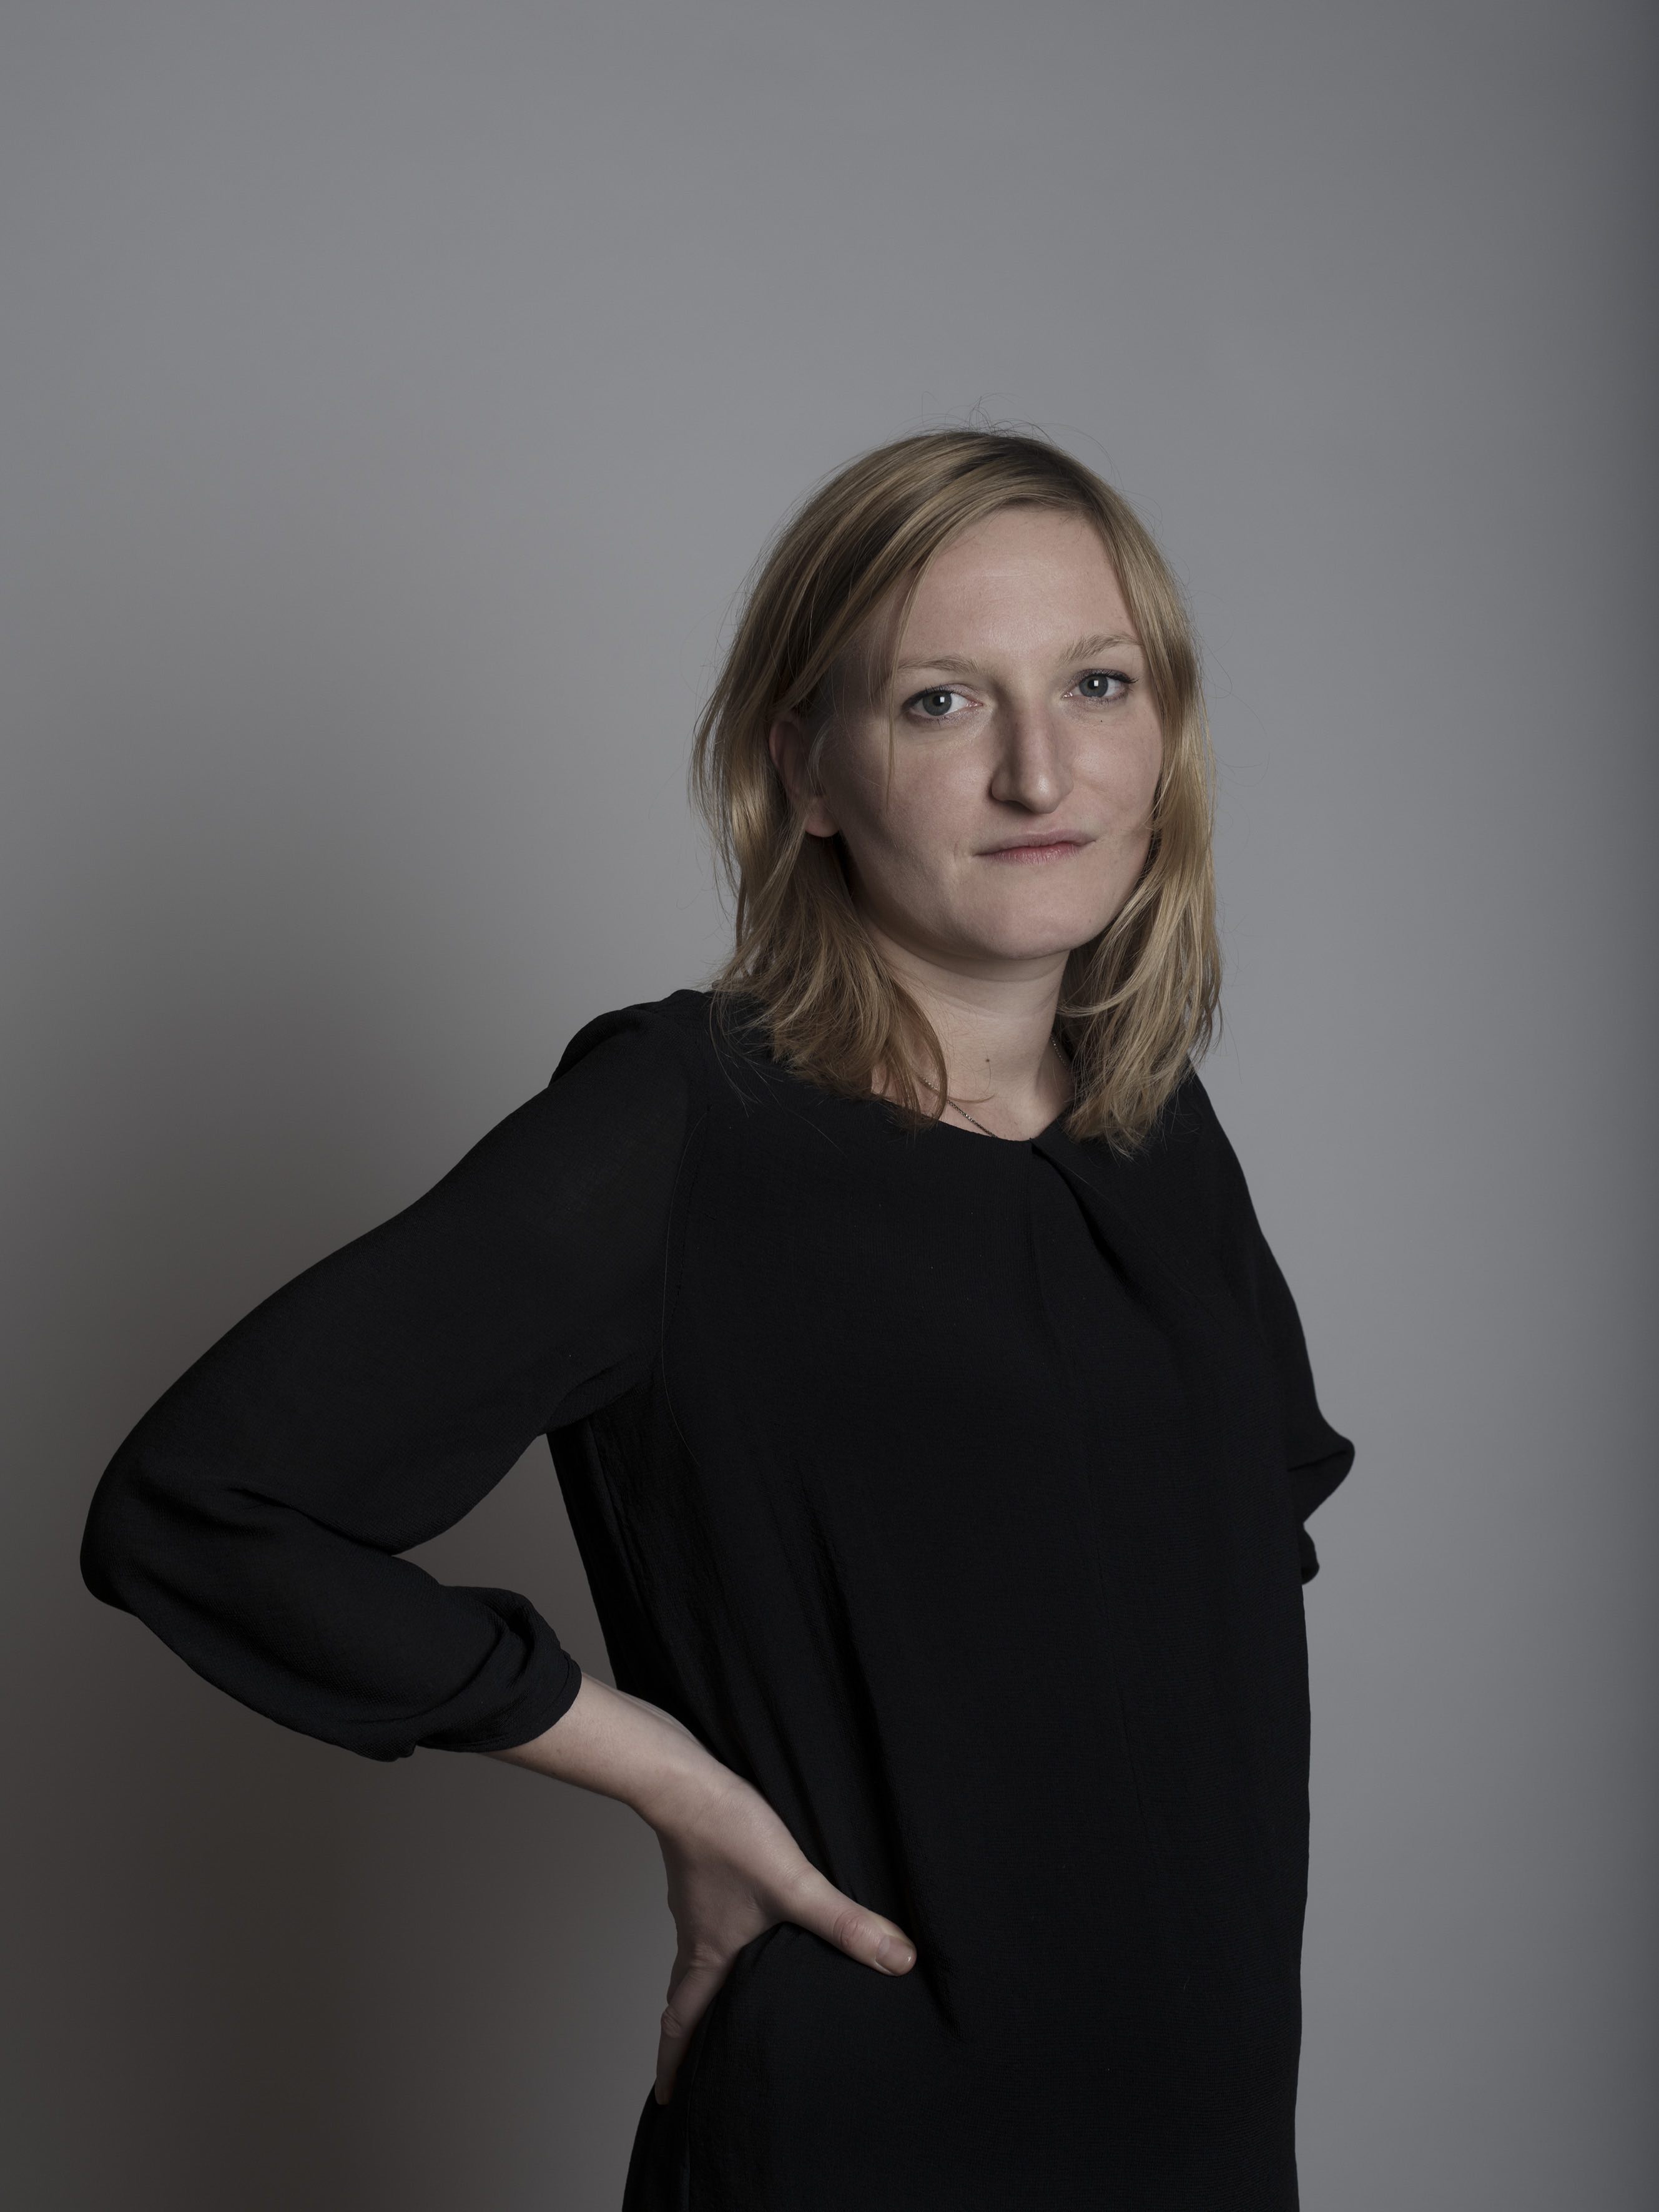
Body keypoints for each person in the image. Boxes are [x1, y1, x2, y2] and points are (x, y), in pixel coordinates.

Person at [81, 427, 1354, 2210]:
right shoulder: (681, 1127)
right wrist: (673, 1776)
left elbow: (1208, 1578)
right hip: (869, 2140)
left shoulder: (1151, 1129)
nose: (1039, 768)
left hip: (1202, 2141)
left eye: (1097, 682)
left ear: (1166, 731)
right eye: (938, 702)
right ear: (805, 769)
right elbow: (202, 1507)